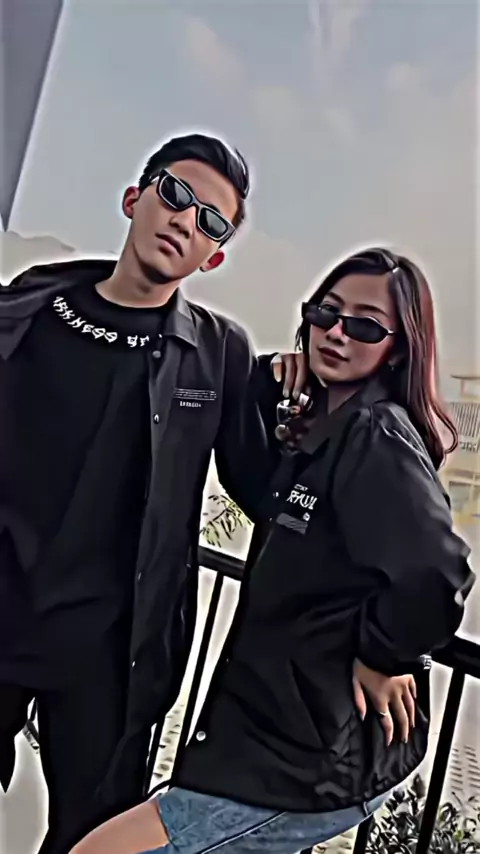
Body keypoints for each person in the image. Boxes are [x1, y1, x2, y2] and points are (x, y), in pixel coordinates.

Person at [71, 247, 474, 854]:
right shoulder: (323, 434)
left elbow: (438, 572)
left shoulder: (376, 434)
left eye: (365, 326)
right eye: (325, 313)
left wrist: (384, 655)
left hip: (308, 760)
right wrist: (264, 384)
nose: (335, 333)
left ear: (398, 348)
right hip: (265, 738)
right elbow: (259, 490)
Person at [0, 132, 282, 854]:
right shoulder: (31, 303)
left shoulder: (219, 354)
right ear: (134, 199)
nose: (185, 220)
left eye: (210, 222)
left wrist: (383, 625)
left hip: (110, 653)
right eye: (175, 194)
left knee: (89, 839)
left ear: (212, 257)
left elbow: (267, 491)